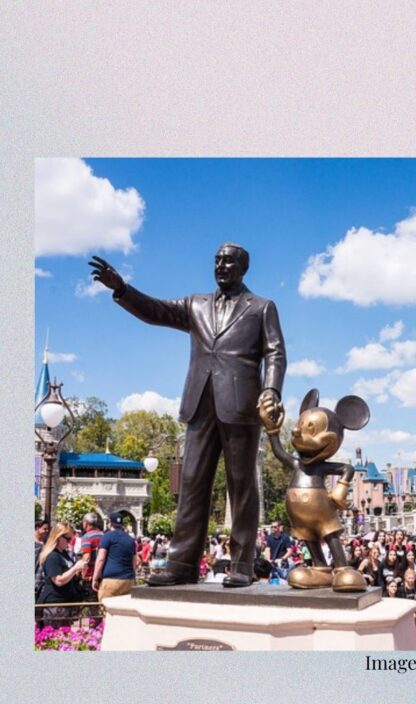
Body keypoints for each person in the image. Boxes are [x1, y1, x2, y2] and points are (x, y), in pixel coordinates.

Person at [89, 243, 286, 587]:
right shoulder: (196, 304)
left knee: (241, 486)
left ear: (243, 267)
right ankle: (181, 564)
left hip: (241, 405)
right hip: (199, 403)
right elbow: (156, 311)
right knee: (193, 482)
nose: (221, 266)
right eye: (217, 260)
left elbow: (275, 352)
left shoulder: (262, 307)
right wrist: (122, 289)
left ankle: (241, 564)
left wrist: (270, 390)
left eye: (228, 261)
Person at [37, 524, 87, 627]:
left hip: (65, 602)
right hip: (54, 604)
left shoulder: (64, 553)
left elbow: (67, 574)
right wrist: (75, 568)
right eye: (68, 539)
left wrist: (78, 572)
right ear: (58, 537)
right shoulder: (52, 556)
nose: (69, 542)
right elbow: (58, 580)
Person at [91, 512, 139, 600]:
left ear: (110, 524)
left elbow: (101, 558)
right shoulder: (131, 539)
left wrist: (95, 578)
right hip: (128, 580)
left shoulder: (107, 536)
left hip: (111, 579)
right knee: (123, 611)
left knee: (106, 608)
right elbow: (134, 561)